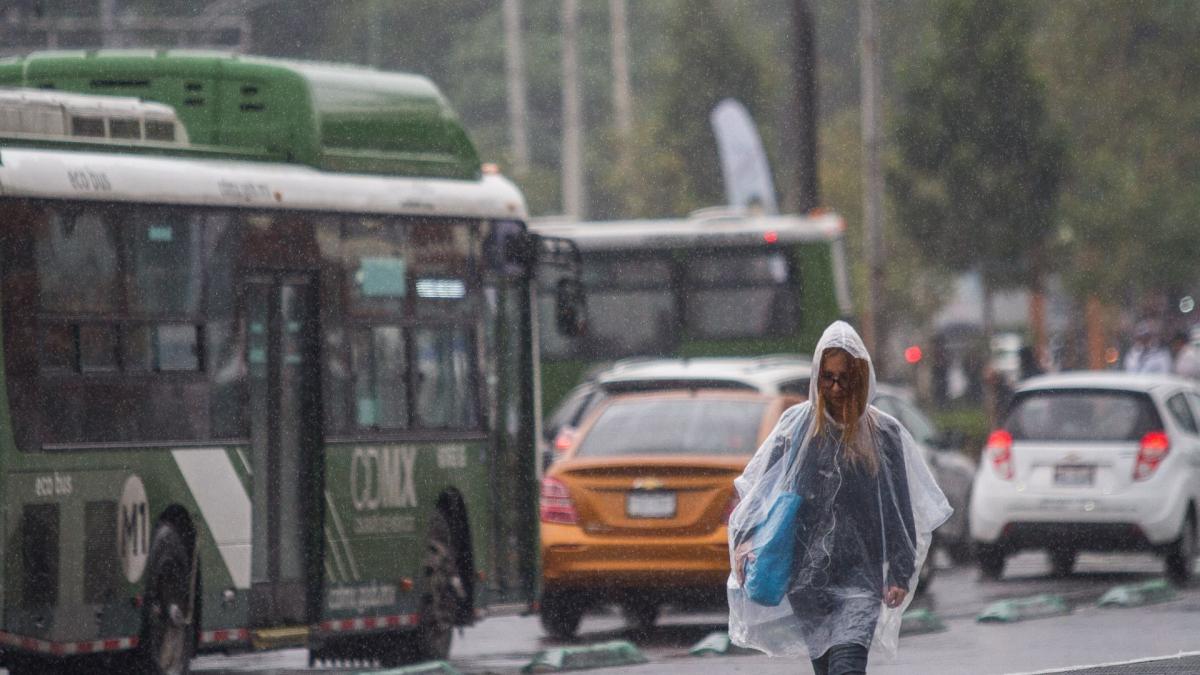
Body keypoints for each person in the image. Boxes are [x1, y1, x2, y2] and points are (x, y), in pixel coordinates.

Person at [727, 321, 951, 674]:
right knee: (827, 667)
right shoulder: (796, 428)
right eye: (827, 378)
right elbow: (763, 491)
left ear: (859, 380)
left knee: (846, 666)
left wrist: (900, 572)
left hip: (860, 578)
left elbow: (898, 508)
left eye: (843, 378)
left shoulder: (883, 434)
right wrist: (745, 539)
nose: (834, 387)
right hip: (807, 580)